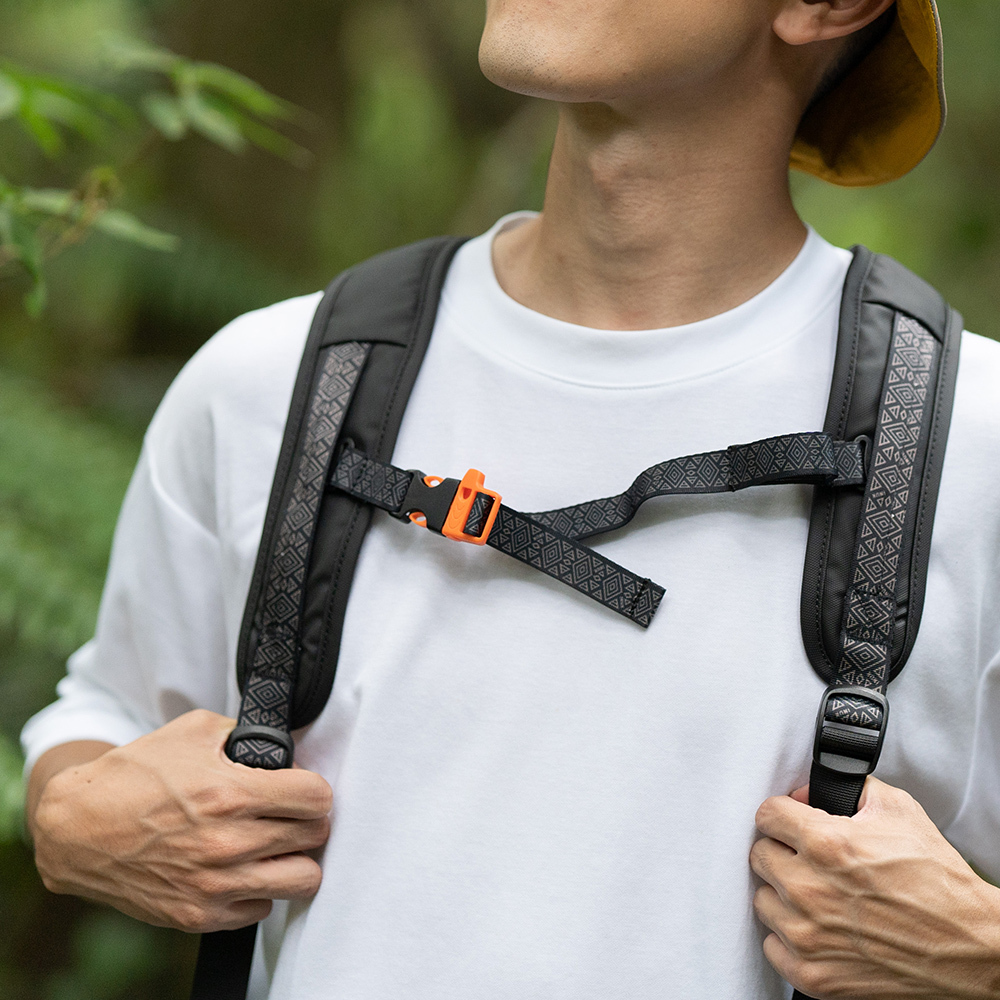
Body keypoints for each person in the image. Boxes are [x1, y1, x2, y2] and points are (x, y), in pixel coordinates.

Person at [20, 0, 1000, 997]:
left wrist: (982, 949)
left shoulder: (973, 445)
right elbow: (106, 718)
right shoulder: (276, 384)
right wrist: (66, 816)